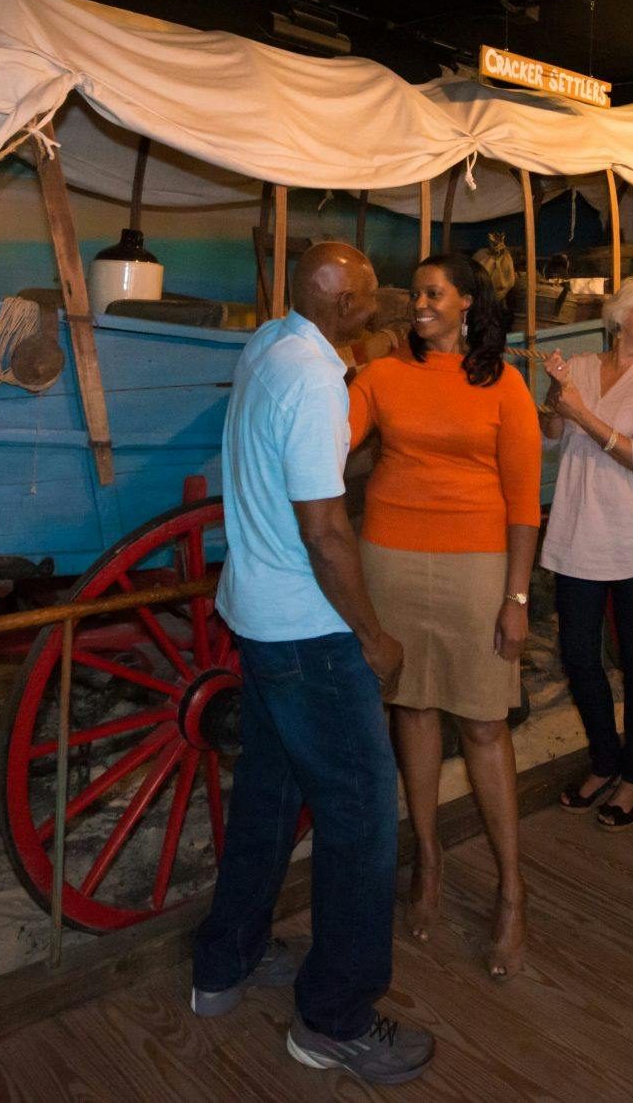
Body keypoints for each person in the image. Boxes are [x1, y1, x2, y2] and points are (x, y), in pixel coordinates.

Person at [190, 241, 434, 1086]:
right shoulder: (316, 381)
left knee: (269, 793)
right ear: (340, 306)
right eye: (371, 295)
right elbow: (327, 532)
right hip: (311, 632)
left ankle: (224, 963)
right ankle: (334, 1020)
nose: (384, 301)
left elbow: (295, 469)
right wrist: (372, 635)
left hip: (255, 617)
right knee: (364, 820)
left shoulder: (266, 345)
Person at [347, 251, 543, 979]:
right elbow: (331, 441)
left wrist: (516, 597)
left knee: (486, 722)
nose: (419, 303)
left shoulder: (504, 384)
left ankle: (511, 887)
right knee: (413, 707)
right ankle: (426, 861)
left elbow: (524, 503)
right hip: (390, 560)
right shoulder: (382, 376)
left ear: (467, 303)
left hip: (477, 566)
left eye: (433, 292)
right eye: (415, 292)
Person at [538, 275, 633, 830]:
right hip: (579, 531)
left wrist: (579, 413)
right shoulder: (578, 367)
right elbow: (551, 436)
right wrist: (555, 401)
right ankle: (605, 759)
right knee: (579, 656)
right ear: (621, 312)